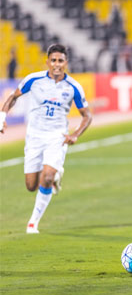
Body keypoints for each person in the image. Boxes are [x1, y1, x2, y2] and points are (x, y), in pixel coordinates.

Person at [0, 44, 92, 234]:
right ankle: (55, 175)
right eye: (53, 60)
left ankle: (33, 222)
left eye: (60, 61)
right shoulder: (34, 80)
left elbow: (87, 115)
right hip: (34, 136)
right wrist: (2, 117)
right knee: (31, 186)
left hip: (56, 137)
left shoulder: (73, 86)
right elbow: (13, 97)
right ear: (47, 62)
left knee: (47, 177)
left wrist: (75, 134)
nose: (57, 64)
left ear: (66, 63)